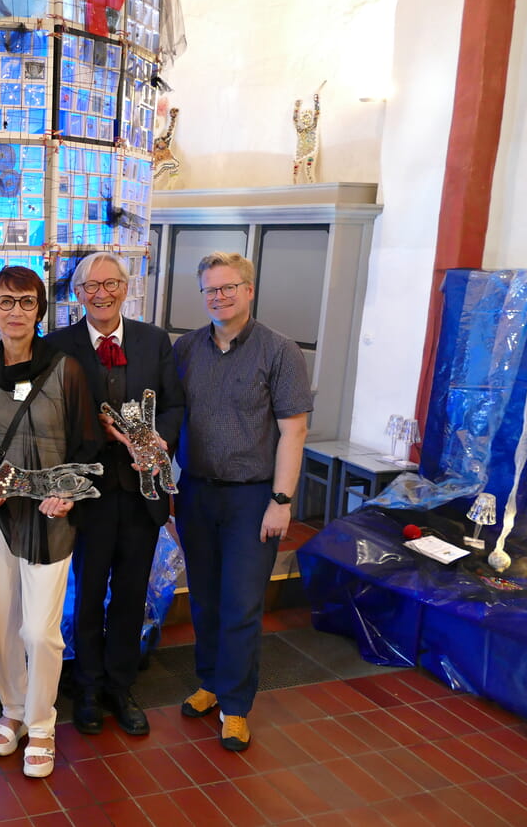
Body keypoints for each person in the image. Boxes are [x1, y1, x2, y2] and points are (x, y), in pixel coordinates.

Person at [0, 266, 100, 778]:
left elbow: (87, 443)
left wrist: (68, 493)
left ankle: (42, 723)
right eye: (5, 301)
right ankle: (13, 709)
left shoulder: (67, 368)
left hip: (50, 517)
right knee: (2, 623)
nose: (15, 311)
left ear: (40, 309)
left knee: (40, 631)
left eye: (25, 302)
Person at [171, 251, 311, 751]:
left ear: (249, 290)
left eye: (229, 287)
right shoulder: (186, 349)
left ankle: (235, 706)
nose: (219, 297)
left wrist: (282, 500)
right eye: (210, 289)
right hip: (197, 493)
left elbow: (294, 431)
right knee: (205, 599)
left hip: (254, 498)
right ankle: (209, 682)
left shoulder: (279, 351)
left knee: (242, 604)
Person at [48, 252, 183, 737]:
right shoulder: (58, 344)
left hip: (141, 493)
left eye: (111, 283)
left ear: (126, 288)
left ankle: (120, 685)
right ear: (77, 293)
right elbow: (49, 416)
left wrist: (156, 440)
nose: (101, 293)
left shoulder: (153, 340)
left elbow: (173, 404)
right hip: (89, 493)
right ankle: (87, 685)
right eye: (90, 285)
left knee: (130, 592)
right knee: (87, 594)